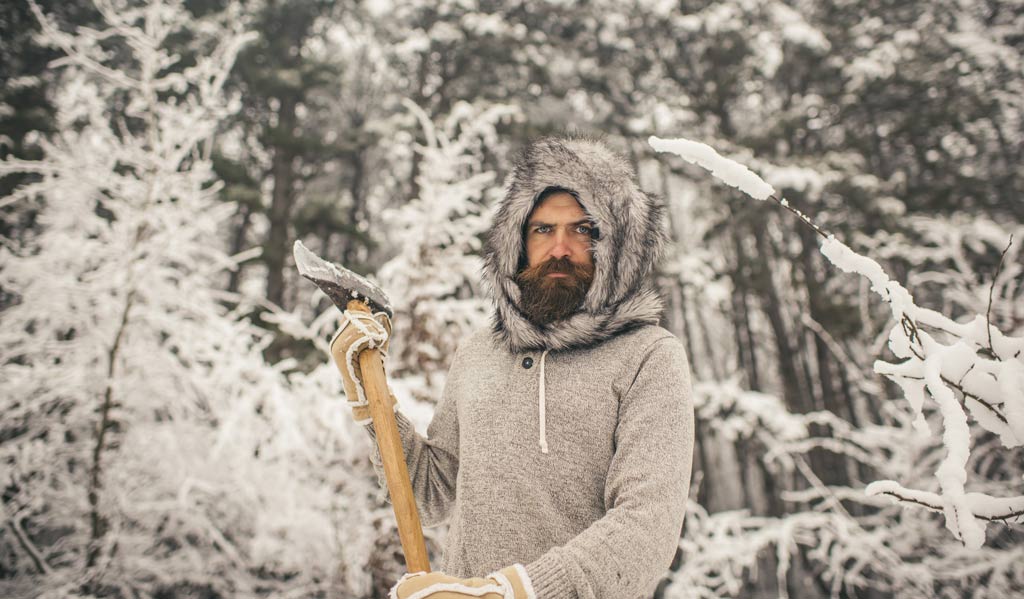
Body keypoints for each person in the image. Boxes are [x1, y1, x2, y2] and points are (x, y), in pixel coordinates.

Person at [330, 137, 694, 599]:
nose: (559, 247)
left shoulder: (649, 356)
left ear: (617, 243)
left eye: (582, 230)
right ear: (516, 243)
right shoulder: (478, 354)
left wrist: (512, 593)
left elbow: (646, 528)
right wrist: (367, 393)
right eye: (542, 230)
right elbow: (431, 491)